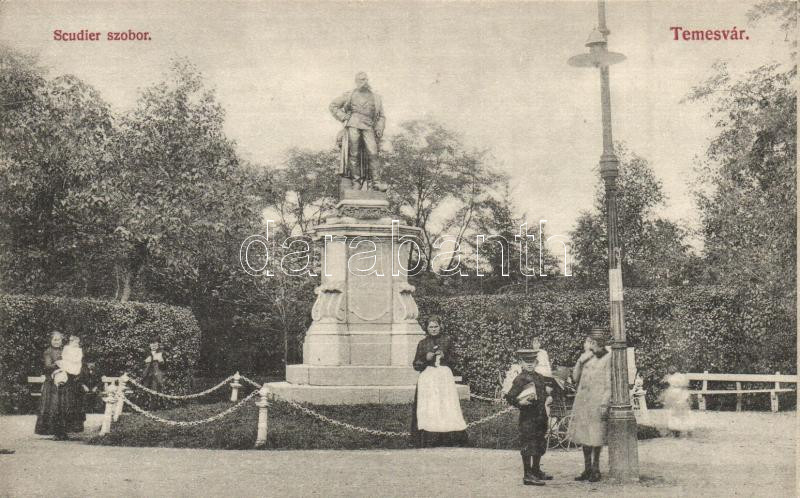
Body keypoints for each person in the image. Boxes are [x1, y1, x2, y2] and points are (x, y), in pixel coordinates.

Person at [410, 315, 468, 448]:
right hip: (428, 378)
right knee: (430, 405)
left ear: (440, 327)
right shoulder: (422, 343)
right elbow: (416, 365)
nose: (434, 329)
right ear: (427, 328)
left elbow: (456, 361)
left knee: (446, 404)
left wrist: (445, 356)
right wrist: (425, 358)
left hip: (444, 377)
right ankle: (429, 438)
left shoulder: (447, 340)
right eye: (431, 327)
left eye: (436, 326)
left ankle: (450, 438)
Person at [505, 349, 559, 486]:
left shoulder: (539, 377)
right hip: (528, 418)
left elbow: (543, 393)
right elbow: (510, 396)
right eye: (526, 361)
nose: (529, 364)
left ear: (536, 362)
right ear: (521, 363)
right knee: (528, 444)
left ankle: (536, 470)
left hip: (540, 415)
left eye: (532, 361)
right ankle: (527, 475)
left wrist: (548, 395)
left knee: (539, 443)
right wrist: (520, 403)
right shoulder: (520, 379)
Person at [567, 326, 612, 483]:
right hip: (583, 401)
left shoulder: (607, 357)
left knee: (596, 436)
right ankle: (587, 469)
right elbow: (575, 378)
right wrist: (580, 361)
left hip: (596, 402)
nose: (587, 344)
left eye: (590, 341)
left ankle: (596, 469)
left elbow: (609, 383)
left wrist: (605, 403)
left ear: (596, 343)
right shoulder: (586, 357)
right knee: (584, 435)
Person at [329, 72, 386, 191]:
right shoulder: (350, 94)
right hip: (353, 125)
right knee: (353, 154)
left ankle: (376, 182)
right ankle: (356, 182)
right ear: (356, 81)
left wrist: (379, 128)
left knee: (373, 153)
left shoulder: (376, 97)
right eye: (361, 80)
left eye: (366, 79)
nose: (364, 82)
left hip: (369, 126)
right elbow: (333, 105)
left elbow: (381, 116)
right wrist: (343, 117)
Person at [34, 331, 84, 439]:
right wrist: (59, 364)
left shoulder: (65, 349)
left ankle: (64, 431)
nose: (57, 342)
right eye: (55, 340)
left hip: (65, 383)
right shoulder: (48, 351)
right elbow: (47, 366)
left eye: (59, 339)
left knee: (66, 407)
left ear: (62, 341)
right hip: (52, 384)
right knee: (54, 406)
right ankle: (56, 432)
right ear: (50, 340)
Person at [660, 365, 692, 437]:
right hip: (679, 396)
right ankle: (678, 430)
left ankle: (676, 430)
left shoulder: (671, 377)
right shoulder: (681, 377)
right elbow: (685, 386)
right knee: (679, 413)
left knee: (674, 413)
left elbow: (662, 382)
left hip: (675, 396)